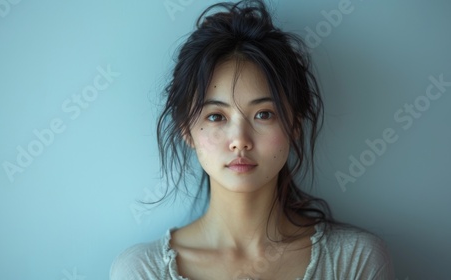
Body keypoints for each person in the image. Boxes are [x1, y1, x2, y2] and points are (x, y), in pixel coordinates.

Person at [110, 1, 394, 279]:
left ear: (295, 123)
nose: (240, 141)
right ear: (186, 129)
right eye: (215, 116)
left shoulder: (355, 261)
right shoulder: (141, 271)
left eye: (263, 114)